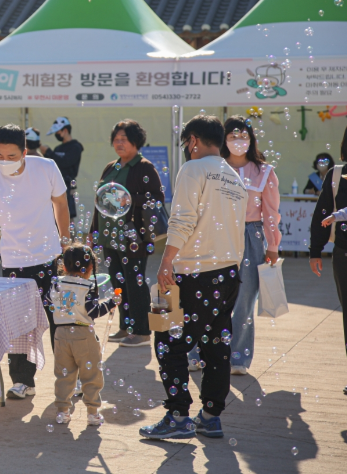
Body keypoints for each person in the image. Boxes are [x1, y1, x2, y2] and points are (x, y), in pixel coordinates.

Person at [140, 114, 247, 441]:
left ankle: (178, 416)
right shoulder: (234, 177)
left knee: (169, 342)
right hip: (228, 274)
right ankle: (211, 416)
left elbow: (183, 218)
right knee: (217, 346)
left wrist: (166, 261)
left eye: (188, 142)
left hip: (193, 274)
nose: (188, 148)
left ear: (194, 140)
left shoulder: (192, 169)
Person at [0, 124, 70, 399]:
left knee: (61, 320)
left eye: (11, 156)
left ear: (24, 151)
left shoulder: (46, 168)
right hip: (14, 262)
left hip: (50, 257)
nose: (5, 162)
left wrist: (66, 241)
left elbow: (61, 204)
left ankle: (70, 376)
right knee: (20, 325)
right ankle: (23, 381)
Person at [189, 115, 280, 375]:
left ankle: (238, 358)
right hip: (216, 234)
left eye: (243, 136)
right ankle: (197, 353)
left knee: (244, 300)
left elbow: (271, 213)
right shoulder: (212, 167)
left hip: (252, 236)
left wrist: (272, 245)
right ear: (222, 139)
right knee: (207, 296)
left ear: (251, 140)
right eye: (232, 136)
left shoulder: (264, 171)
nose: (238, 141)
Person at [92, 120, 164, 348]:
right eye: (116, 139)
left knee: (135, 283)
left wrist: (129, 198)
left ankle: (142, 332)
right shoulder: (111, 167)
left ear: (136, 141)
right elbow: (100, 201)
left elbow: (157, 200)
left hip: (133, 237)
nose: (119, 143)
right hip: (109, 236)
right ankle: (125, 327)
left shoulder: (144, 167)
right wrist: (93, 231)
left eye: (124, 139)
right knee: (118, 284)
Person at [309, 120, 347, 395]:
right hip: (346, 254)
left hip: (344, 255)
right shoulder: (338, 175)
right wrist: (316, 251)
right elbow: (322, 214)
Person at [49, 243, 118, 427]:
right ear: (90, 268)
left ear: (64, 267)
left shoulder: (56, 284)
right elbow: (93, 311)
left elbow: (49, 302)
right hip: (83, 334)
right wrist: (111, 303)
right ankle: (93, 413)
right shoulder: (87, 286)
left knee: (64, 374)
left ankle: (63, 412)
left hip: (61, 334)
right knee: (91, 374)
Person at [41, 117, 84, 219]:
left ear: (65, 130)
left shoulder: (75, 147)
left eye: (58, 132)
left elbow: (65, 162)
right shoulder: (58, 148)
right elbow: (52, 165)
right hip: (55, 184)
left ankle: (68, 234)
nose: (57, 135)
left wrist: (48, 152)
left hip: (68, 185)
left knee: (66, 215)